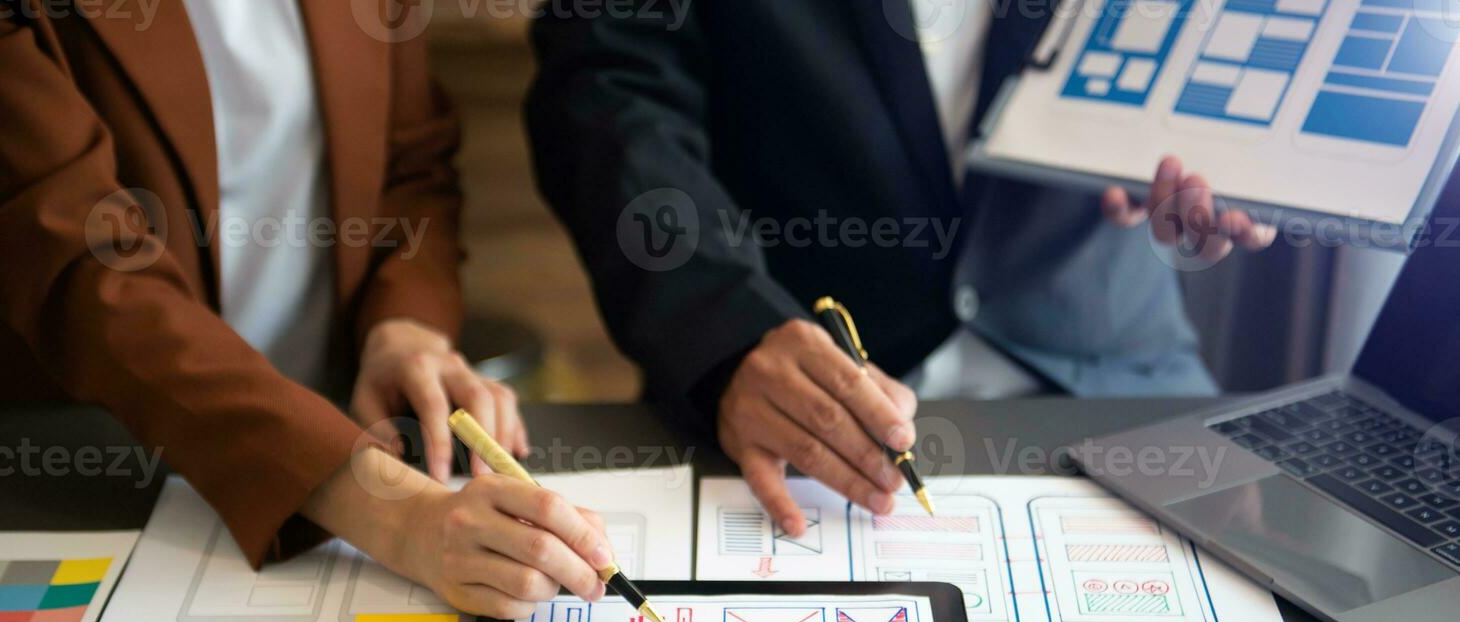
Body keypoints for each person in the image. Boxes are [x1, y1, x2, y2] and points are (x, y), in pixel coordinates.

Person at [526, 0, 1273, 536]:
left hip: (1114, 373)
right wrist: (726, 329)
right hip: (779, 387)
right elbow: (609, 96)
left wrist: (1255, 146)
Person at [0, 0, 611, 618]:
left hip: (342, 423)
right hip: (92, 472)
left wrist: (403, 326)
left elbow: (411, 165)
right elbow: (84, 267)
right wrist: (400, 517)